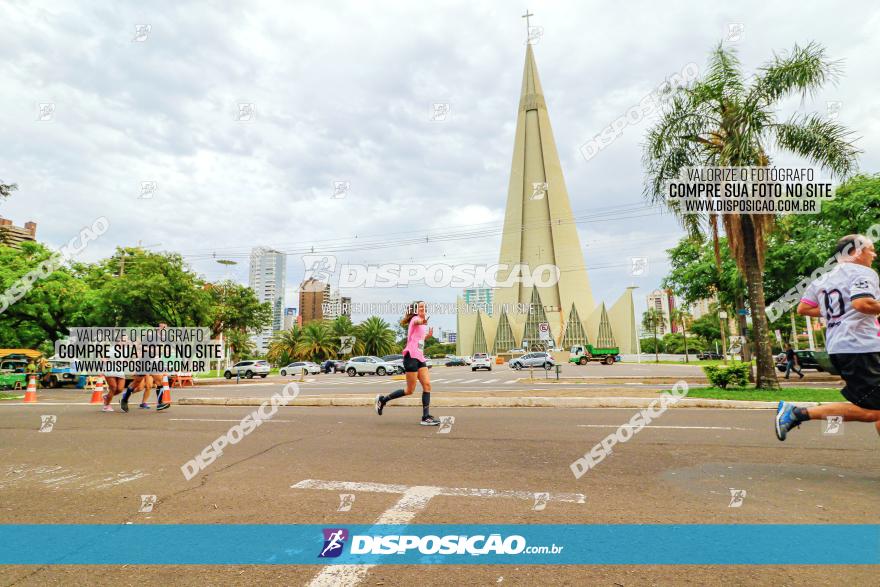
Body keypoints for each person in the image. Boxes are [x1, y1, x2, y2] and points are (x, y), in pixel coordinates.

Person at [776, 234, 880, 440]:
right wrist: (852, 311)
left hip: (841, 347)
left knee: (876, 408)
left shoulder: (824, 278)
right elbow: (863, 304)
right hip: (861, 348)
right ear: (856, 252)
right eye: (871, 249)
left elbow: (804, 308)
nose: (874, 254)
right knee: (873, 411)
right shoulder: (863, 273)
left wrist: (838, 314)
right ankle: (797, 413)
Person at [374, 301, 440, 425]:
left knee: (427, 385)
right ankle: (383, 400)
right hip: (411, 357)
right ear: (415, 310)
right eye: (420, 307)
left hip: (420, 358)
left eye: (424, 307)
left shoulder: (421, 323)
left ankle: (425, 417)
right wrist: (422, 321)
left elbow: (418, 338)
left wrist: (427, 336)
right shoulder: (415, 319)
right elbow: (417, 322)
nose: (423, 308)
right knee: (410, 390)